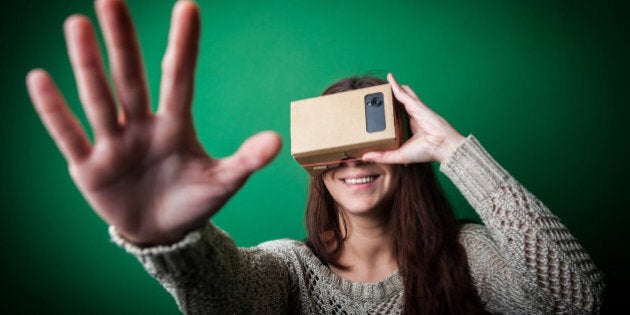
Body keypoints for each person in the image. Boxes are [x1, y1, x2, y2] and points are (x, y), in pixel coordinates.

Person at [26, 0, 604, 314]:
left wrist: (453, 150)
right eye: (335, 146)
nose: (353, 159)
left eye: (373, 137)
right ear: (315, 165)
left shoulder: (471, 255)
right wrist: (171, 240)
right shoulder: (291, 270)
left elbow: (579, 299)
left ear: (408, 151)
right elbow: (222, 298)